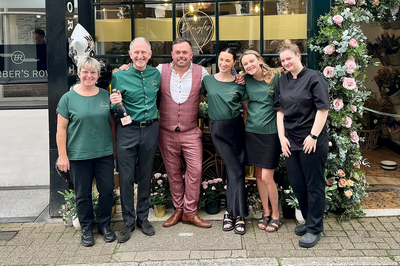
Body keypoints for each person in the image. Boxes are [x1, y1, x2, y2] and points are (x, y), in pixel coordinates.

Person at [274, 40, 329, 248]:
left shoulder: (315, 78)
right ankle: (309, 221)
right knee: (297, 184)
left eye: (289, 58)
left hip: (311, 141)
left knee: (314, 185)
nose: (286, 62)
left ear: (298, 56)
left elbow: (323, 109)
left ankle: (314, 228)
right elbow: (280, 111)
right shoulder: (282, 81)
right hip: (291, 141)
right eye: (282, 60)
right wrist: (282, 138)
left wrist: (313, 136)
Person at [56, 57, 116, 247]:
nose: (89, 76)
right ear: (79, 73)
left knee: (106, 191)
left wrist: (114, 149)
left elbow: (112, 124)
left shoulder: (105, 96)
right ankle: (87, 229)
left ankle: (105, 226)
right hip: (79, 155)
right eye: (85, 72)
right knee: (82, 194)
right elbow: (61, 129)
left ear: (98, 75)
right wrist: (63, 155)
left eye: (93, 72)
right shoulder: (68, 98)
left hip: (104, 153)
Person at [110, 37, 161, 243]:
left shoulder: (155, 74)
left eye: (144, 52)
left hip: (150, 129)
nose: (140, 56)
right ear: (130, 55)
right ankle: (128, 221)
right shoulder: (119, 76)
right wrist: (114, 103)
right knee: (126, 176)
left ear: (149, 54)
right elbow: (113, 104)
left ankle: (143, 218)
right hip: (127, 130)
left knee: (146, 174)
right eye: (136, 53)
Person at [158, 38, 211, 228]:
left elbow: (220, 84)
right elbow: (140, 79)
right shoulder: (160, 70)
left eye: (184, 52)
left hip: (190, 131)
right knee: (173, 173)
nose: (181, 56)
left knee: (195, 171)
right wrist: (125, 68)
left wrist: (237, 77)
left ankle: (190, 212)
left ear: (191, 55)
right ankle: (178, 209)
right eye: (177, 52)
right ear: (172, 54)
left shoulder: (201, 72)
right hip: (166, 131)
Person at [201, 48, 248, 234]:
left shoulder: (239, 83)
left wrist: (245, 130)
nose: (223, 63)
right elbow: (200, 99)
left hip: (236, 128)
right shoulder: (208, 80)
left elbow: (246, 109)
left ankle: (232, 213)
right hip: (217, 129)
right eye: (221, 59)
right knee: (236, 169)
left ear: (234, 62)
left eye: (228, 60)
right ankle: (238, 213)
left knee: (235, 170)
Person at [239, 50, 282, 233]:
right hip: (252, 132)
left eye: (251, 61)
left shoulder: (276, 77)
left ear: (260, 60)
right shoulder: (244, 80)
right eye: (245, 64)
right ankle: (265, 212)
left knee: (267, 177)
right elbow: (246, 105)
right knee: (257, 175)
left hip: (271, 133)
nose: (248, 65)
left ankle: (276, 215)